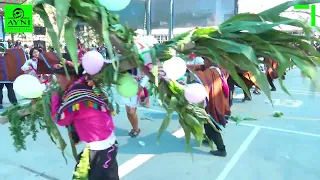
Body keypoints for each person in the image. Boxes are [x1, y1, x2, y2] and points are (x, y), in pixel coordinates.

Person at [51, 61, 119, 180]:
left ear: (69, 77)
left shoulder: (76, 95)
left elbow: (60, 118)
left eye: (58, 77)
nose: (57, 81)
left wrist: (55, 99)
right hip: (105, 143)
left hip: (99, 149)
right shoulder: (86, 85)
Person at [188, 57, 230, 157]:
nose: (204, 62)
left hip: (214, 104)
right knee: (207, 124)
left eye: (205, 60)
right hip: (221, 101)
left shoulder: (211, 72)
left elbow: (202, 77)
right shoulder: (219, 70)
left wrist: (192, 74)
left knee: (212, 126)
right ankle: (209, 139)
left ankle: (221, 149)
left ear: (210, 61)